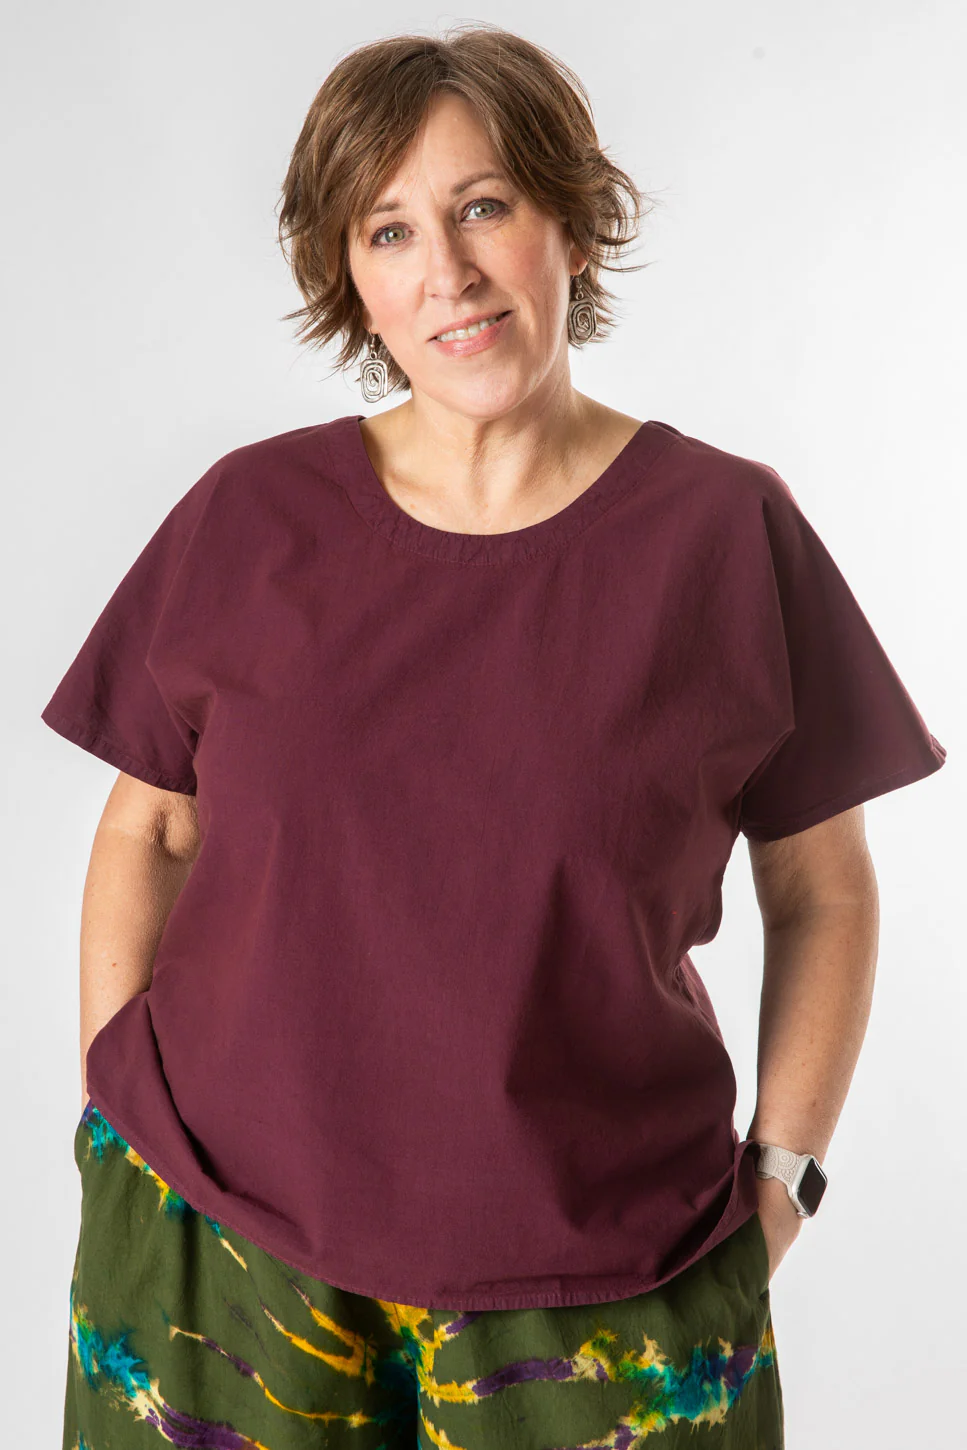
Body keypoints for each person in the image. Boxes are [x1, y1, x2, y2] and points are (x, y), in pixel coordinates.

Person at [46, 24, 946, 1450]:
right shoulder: (248, 518)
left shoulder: (723, 534)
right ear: (352, 277)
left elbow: (821, 887)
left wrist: (783, 1180)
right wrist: (115, 1106)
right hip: (216, 1251)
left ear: (570, 223)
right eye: (389, 231)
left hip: (610, 1279)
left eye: (483, 207)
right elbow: (151, 823)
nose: (447, 274)